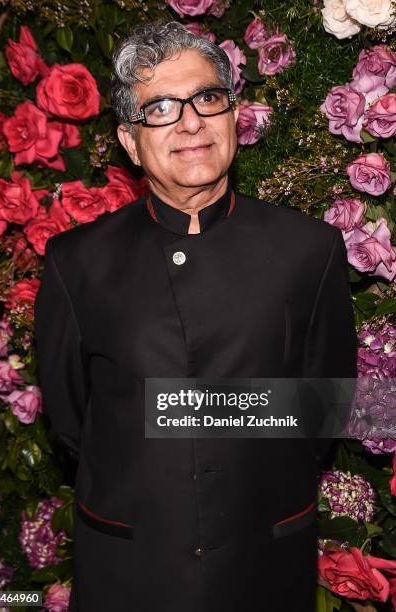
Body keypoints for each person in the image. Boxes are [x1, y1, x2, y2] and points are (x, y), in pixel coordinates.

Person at [33, 20, 358, 611]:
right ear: (130, 142)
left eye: (207, 98)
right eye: (160, 107)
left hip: (265, 561)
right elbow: (77, 424)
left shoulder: (310, 249)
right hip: (131, 566)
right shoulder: (76, 262)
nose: (190, 123)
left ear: (234, 117)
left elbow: (326, 409)